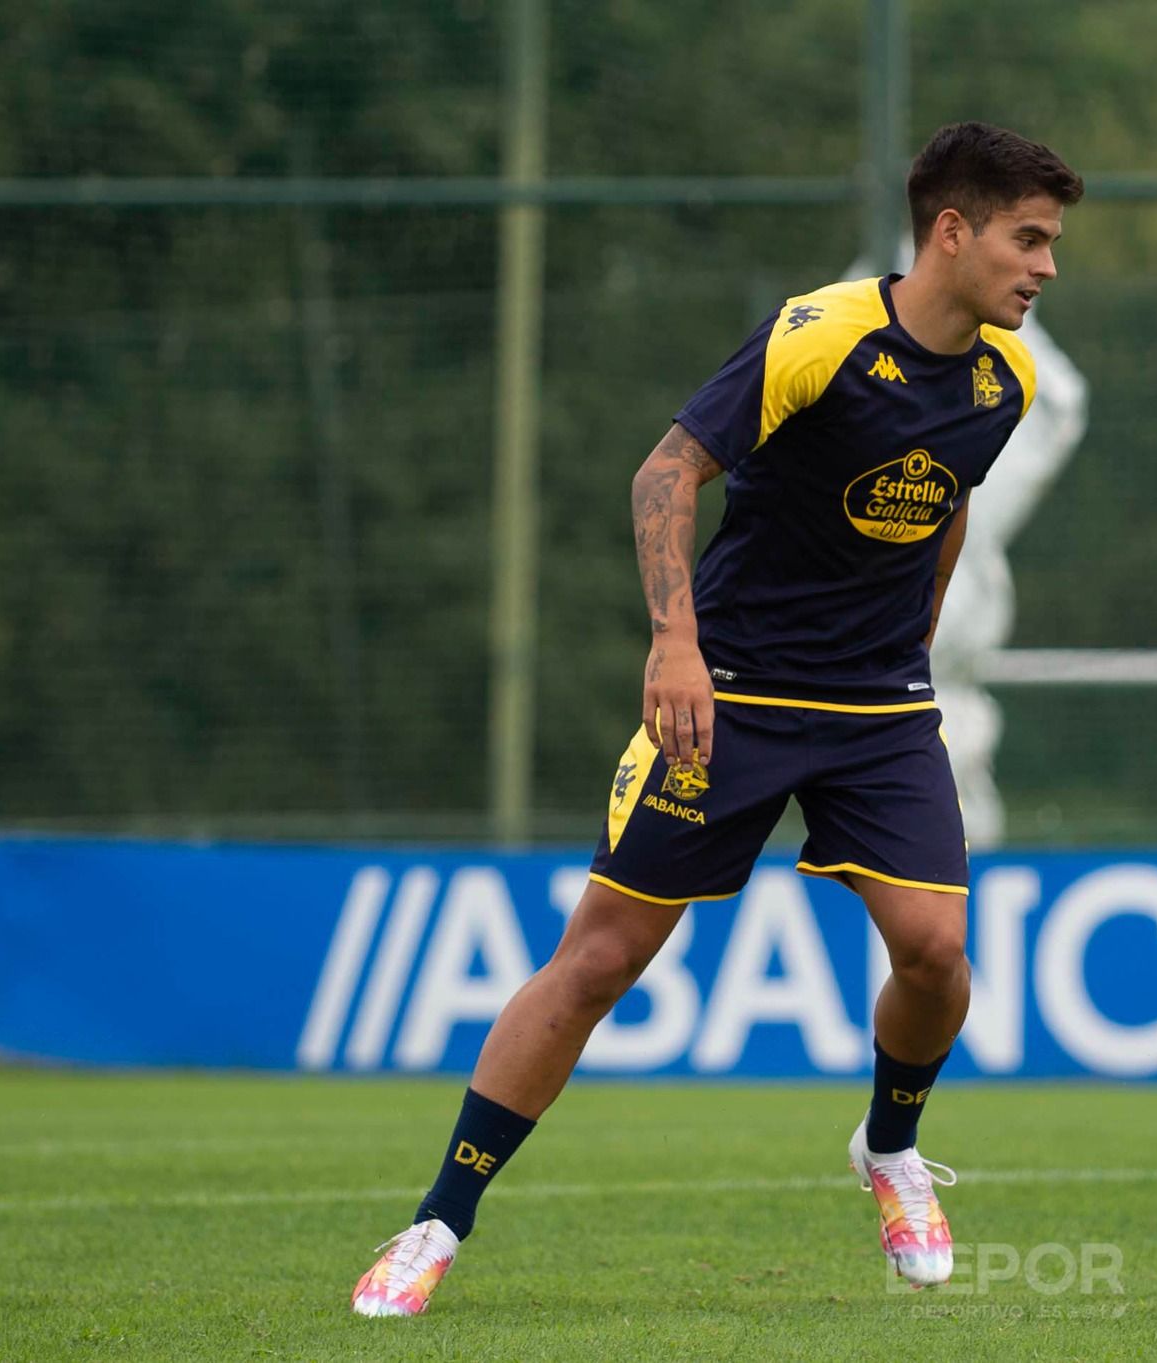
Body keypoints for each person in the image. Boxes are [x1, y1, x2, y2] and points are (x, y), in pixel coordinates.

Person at [352, 121, 1082, 1317]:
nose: (1046, 267)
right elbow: (662, 475)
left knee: (938, 954)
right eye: (1028, 239)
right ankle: (436, 1222)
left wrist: (911, 651)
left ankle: (889, 1149)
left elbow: (943, 511)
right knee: (596, 962)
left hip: (877, 710)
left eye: (1050, 243)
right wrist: (675, 645)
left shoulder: (1006, 383)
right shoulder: (821, 333)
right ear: (951, 232)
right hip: (729, 692)